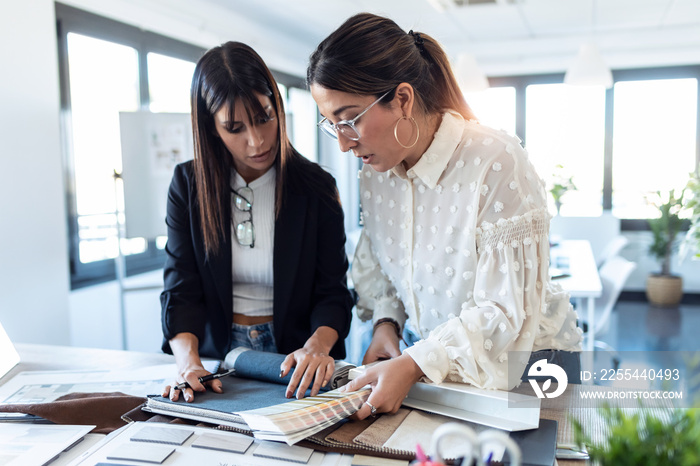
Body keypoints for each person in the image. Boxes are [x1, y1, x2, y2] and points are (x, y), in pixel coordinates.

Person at [307, 13, 582, 419]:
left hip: (533, 369)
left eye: (350, 120)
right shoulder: (377, 173)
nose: (345, 144)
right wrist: (387, 324)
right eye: (332, 126)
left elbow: (504, 313)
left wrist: (415, 362)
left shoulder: (495, 160)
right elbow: (386, 270)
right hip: (441, 373)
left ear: (402, 98)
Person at [160, 41, 353, 403]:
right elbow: (181, 289)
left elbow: (333, 293)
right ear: (211, 128)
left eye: (264, 117)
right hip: (218, 357)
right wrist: (188, 364)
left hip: (297, 358)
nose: (256, 140)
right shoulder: (188, 186)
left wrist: (317, 348)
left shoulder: (316, 187)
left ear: (277, 106)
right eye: (234, 127)